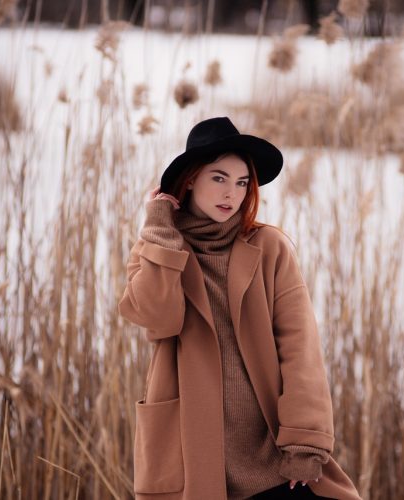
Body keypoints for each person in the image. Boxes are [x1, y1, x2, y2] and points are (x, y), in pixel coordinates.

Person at [118, 117, 361, 500]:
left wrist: (306, 441)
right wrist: (161, 230)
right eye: (219, 178)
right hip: (193, 456)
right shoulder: (157, 250)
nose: (231, 193)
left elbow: (299, 345)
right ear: (191, 179)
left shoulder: (268, 248)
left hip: (275, 460)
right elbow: (158, 319)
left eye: (242, 182)